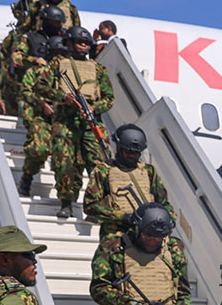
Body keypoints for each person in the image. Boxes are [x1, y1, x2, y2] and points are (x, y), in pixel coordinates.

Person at [33, 25, 114, 218]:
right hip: (65, 122)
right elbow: (40, 86)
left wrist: (95, 108)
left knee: (98, 164)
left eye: (87, 43)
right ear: (69, 43)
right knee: (65, 163)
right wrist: (63, 97)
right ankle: (67, 202)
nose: (83, 46)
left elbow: (109, 98)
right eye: (79, 42)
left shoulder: (98, 69)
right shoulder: (57, 64)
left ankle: (95, 205)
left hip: (90, 122)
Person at [83, 123, 173, 238]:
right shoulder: (104, 171)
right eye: (128, 152)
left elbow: (164, 204)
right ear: (119, 148)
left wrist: (169, 218)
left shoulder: (149, 171)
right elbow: (90, 206)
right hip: (117, 235)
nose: (132, 156)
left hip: (148, 235)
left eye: (136, 153)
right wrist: (123, 217)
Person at [18, 35, 71, 198]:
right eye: (56, 53)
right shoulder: (35, 71)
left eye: (62, 53)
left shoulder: (69, 75)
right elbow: (25, 92)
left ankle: (65, 196)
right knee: (40, 149)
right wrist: (42, 104)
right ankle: (27, 176)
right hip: (39, 116)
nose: (58, 57)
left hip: (63, 119)